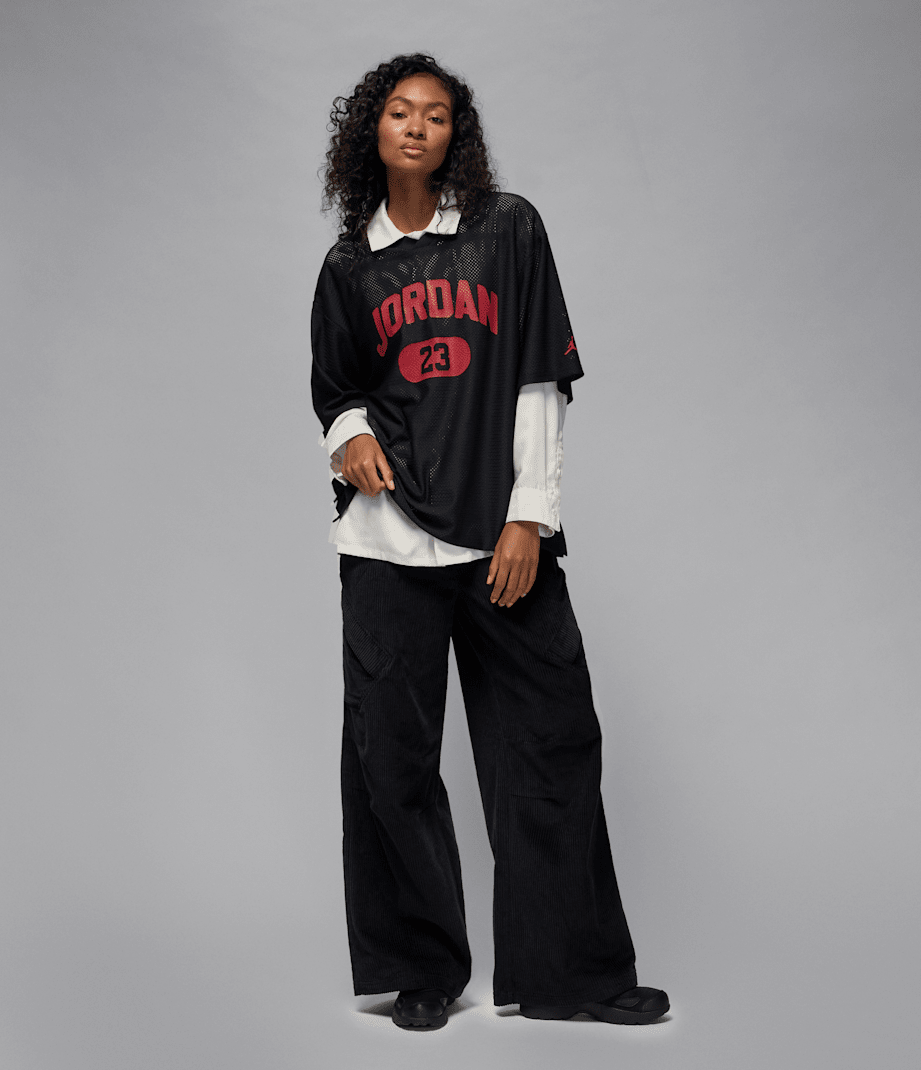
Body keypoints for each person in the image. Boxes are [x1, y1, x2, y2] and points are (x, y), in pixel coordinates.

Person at [311, 53, 669, 1032]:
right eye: (398, 111)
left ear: (454, 134)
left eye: (435, 114)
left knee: (549, 745)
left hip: (500, 538)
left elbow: (538, 376)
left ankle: (572, 972)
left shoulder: (507, 231)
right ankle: (422, 967)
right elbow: (336, 388)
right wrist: (348, 437)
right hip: (386, 543)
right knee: (390, 762)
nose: (415, 126)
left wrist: (529, 515)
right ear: (372, 131)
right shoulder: (348, 266)